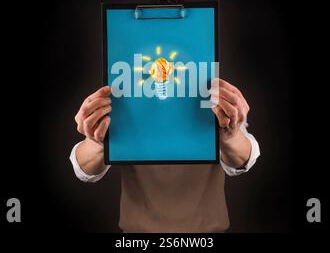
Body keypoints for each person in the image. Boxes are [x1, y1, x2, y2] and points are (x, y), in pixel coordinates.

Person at [70, 78, 260, 232]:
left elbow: (240, 160)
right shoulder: (126, 102)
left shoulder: (210, 99)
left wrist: (231, 136)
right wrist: (96, 141)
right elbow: (85, 169)